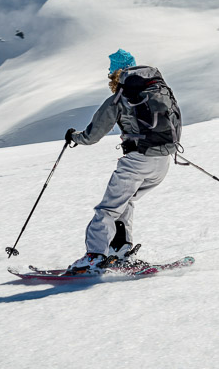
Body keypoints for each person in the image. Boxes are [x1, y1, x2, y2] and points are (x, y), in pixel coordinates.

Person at [64, 49, 181, 274]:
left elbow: (92, 135)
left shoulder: (120, 97)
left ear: (115, 75)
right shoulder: (157, 90)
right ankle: (120, 251)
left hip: (137, 160)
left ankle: (94, 257)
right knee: (124, 201)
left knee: (107, 209)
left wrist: (74, 137)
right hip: (163, 160)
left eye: (110, 76)